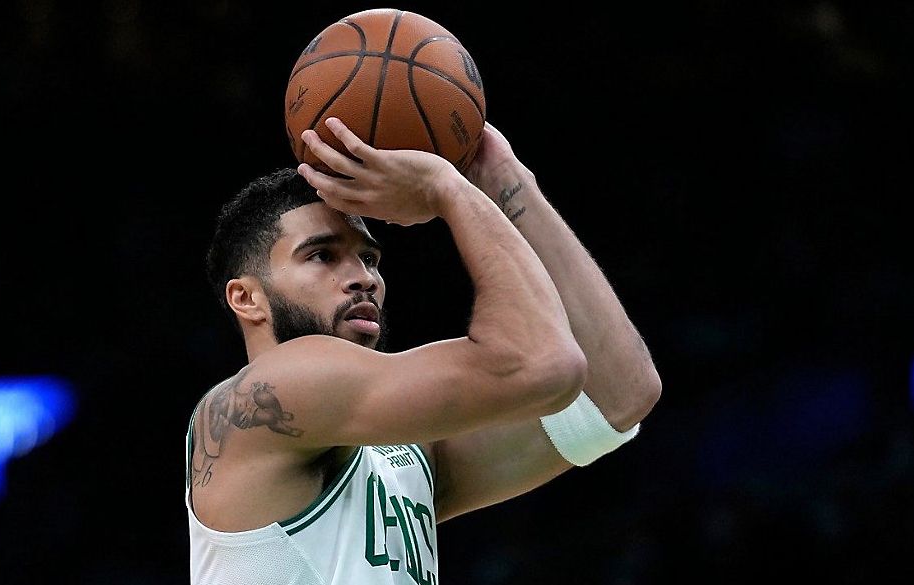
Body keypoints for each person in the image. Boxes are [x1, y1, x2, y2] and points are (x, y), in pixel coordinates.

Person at [185, 117, 661, 585]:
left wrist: (506, 180)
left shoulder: (405, 456)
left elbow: (619, 394)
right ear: (246, 298)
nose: (364, 278)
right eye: (322, 255)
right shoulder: (264, 397)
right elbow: (543, 365)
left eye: (369, 258)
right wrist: (447, 187)